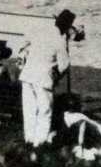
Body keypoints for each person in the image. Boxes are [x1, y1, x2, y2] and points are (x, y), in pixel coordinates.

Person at [19, 9, 77, 146]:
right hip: (43, 79)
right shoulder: (59, 40)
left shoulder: (40, 32)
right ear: (66, 26)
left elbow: (26, 43)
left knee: (29, 111)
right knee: (44, 112)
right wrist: (56, 76)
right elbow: (64, 64)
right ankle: (39, 144)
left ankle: (29, 140)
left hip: (27, 75)